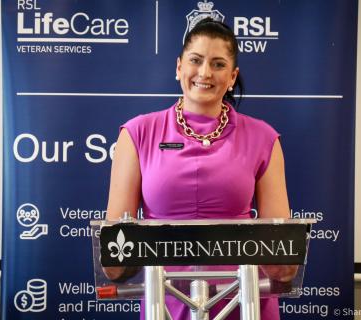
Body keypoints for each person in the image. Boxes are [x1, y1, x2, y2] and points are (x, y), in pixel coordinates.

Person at [105, 18, 296, 319]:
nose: (205, 73)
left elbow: (282, 252)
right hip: (164, 301)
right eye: (196, 60)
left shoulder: (263, 137)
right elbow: (114, 256)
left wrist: (283, 262)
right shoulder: (137, 133)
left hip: (244, 301)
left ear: (232, 77)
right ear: (179, 67)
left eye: (218, 64)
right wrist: (118, 259)